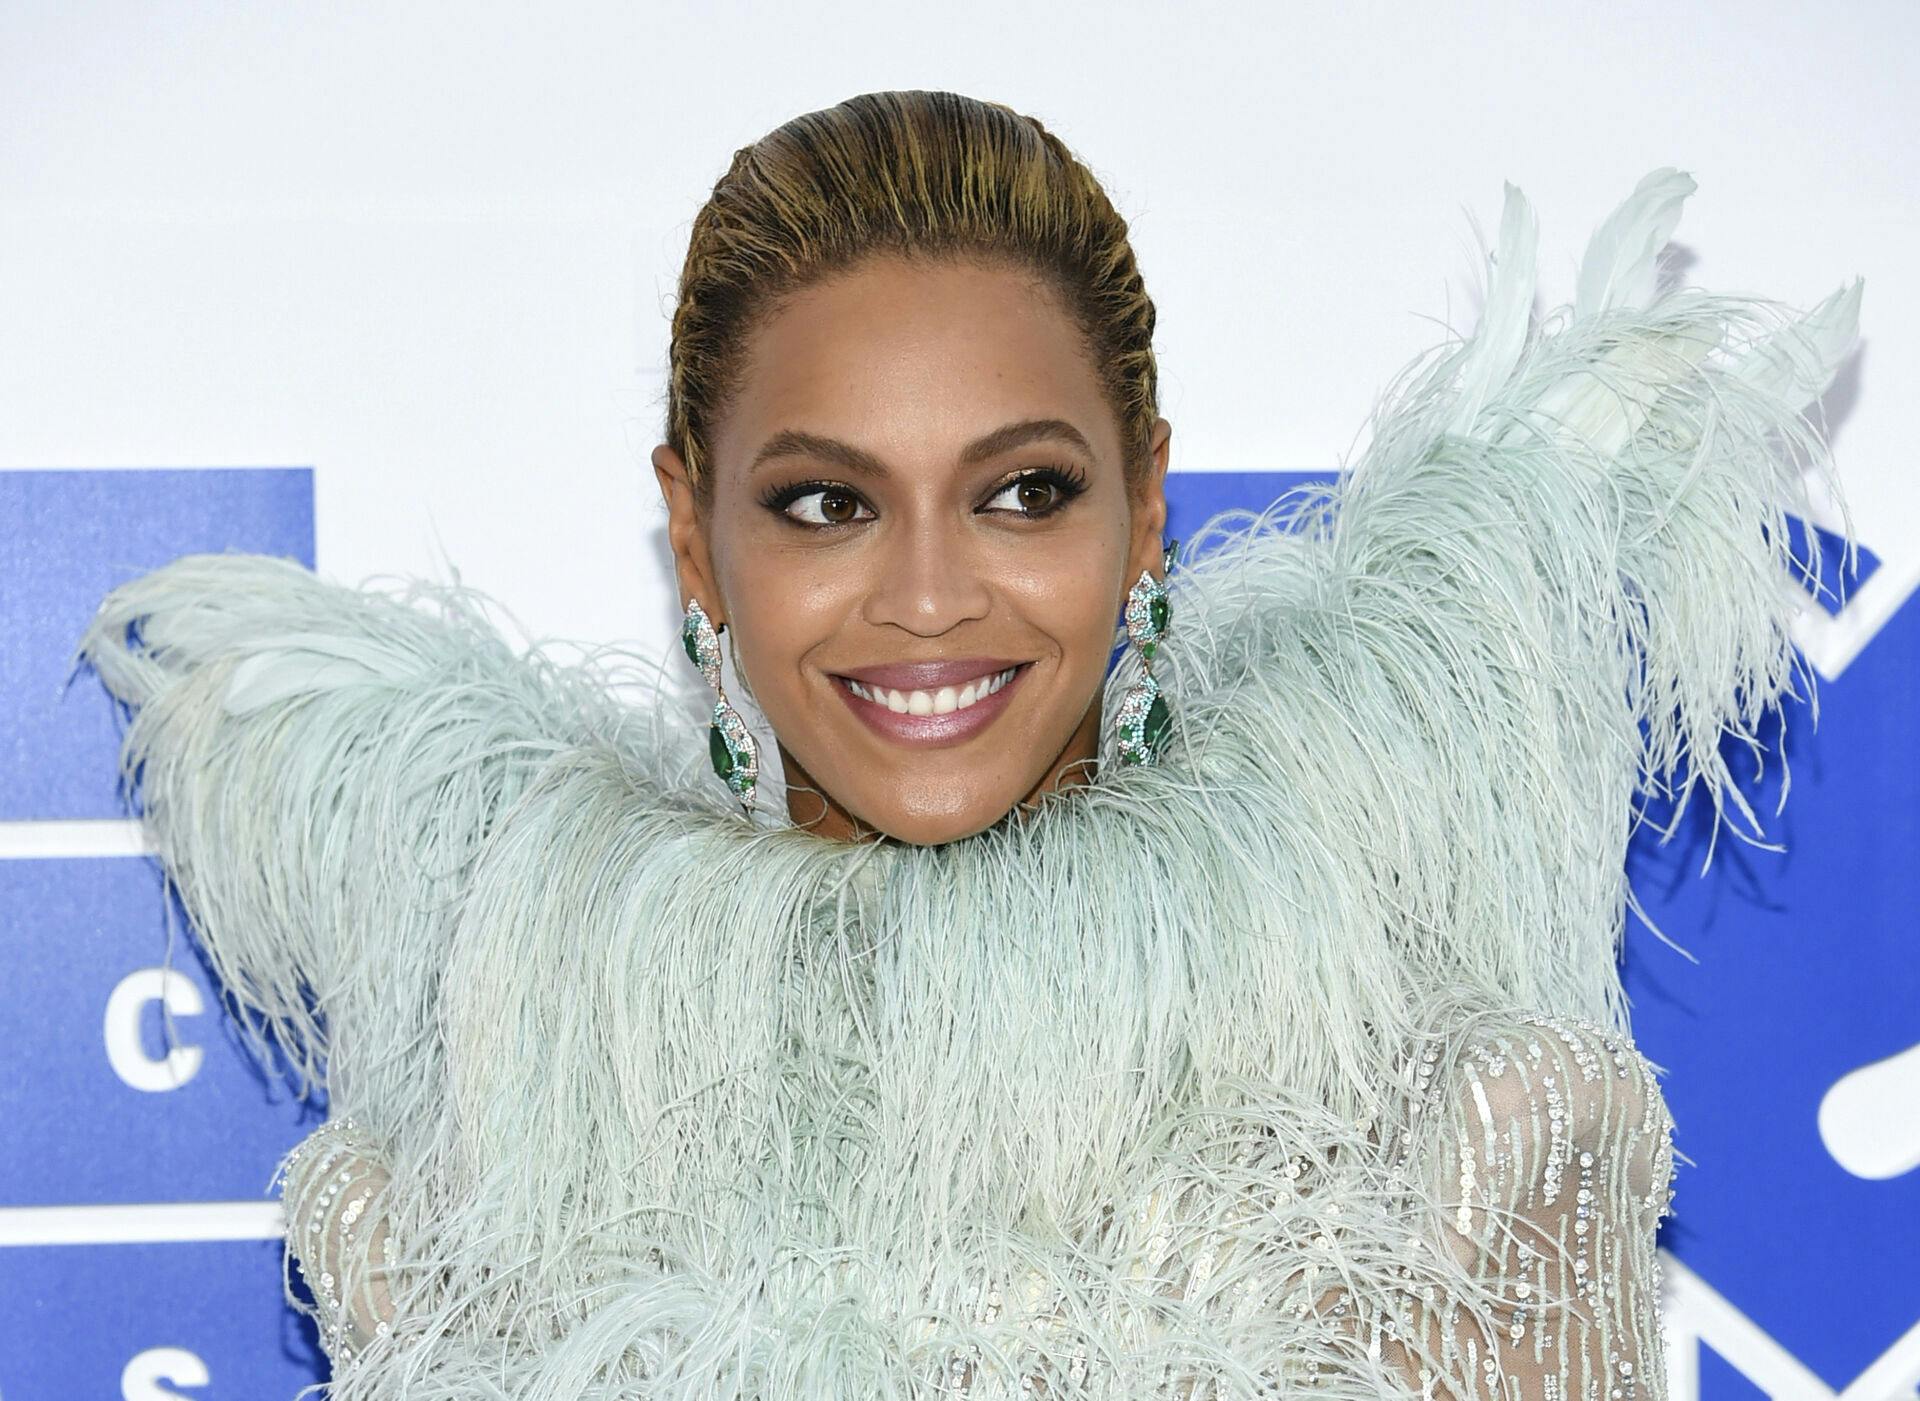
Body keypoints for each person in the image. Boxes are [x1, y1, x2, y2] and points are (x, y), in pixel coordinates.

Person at [73, 90, 1862, 1400]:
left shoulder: (1457, 1130)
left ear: (1146, 502)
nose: (930, 598)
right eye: (828, 501)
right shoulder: (463, 1174)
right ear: (694, 537)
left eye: (1022, 490)